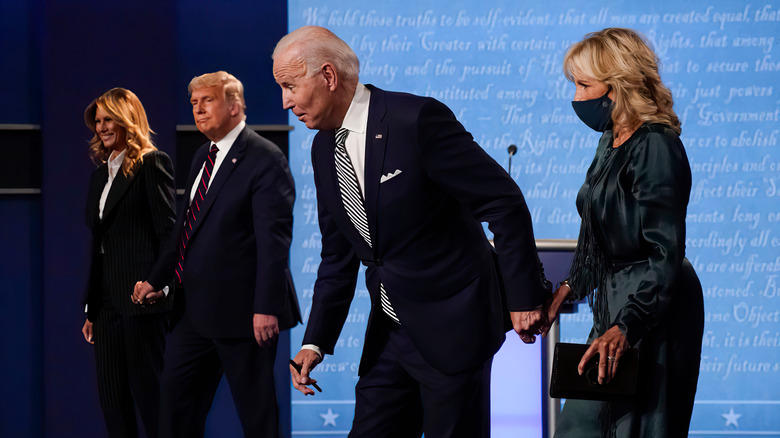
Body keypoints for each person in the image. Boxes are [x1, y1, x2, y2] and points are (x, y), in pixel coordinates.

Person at [273, 26, 550, 437]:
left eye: (290, 86)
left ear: (328, 76)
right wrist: (315, 342)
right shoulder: (322, 148)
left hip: (455, 325)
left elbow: (503, 202)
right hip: (390, 332)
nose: (285, 102)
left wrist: (525, 296)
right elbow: (338, 255)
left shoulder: (416, 120)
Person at [545, 28, 705, 437]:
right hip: (615, 300)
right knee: (581, 425)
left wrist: (628, 325)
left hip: (654, 304)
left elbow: (664, 251)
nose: (577, 97)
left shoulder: (656, 145)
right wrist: (571, 285)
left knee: (639, 426)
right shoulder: (609, 140)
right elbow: (598, 232)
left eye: (584, 85)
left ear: (616, 87)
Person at [133, 71, 300, 437]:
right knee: (175, 407)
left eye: (207, 100)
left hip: (245, 314)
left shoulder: (264, 158)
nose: (198, 109)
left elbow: (274, 242)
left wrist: (266, 307)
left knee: (257, 417)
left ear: (235, 105)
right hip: (195, 312)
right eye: (193, 103)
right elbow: (186, 228)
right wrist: (157, 280)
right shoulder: (202, 156)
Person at [81, 87, 176, 437]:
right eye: (99, 121)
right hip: (106, 307)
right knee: (112, 400)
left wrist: (160, 284)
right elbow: (99, 245)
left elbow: (169, 233)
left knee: (151, 400)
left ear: (127, 120)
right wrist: (92, 308)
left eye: (109, 120)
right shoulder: (98, 176)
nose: (102, 127)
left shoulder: (152, 163)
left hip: (142, 301)